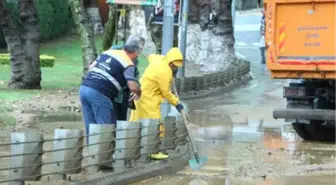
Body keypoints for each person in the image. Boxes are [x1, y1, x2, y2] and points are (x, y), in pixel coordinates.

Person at [79, 35, 143, 143]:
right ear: (135, 53)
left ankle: (93, 153)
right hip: (100, 93)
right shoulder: (128, 63)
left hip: (84, 88)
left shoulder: (108, 52)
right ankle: (104, 156)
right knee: (105, 128)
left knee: (91, 125)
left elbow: (91, 68)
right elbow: (132, 86)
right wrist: (139, 91)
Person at [129, 47, 184, 160]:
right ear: (170, 61)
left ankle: (134, 150)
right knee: (156, 125)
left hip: (140, 95)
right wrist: (177, 103)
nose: (175, 67)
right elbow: (166, 93)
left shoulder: (160, 59)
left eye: (176, 66)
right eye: (174, 65)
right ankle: (153, 152)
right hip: (148, 99)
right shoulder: (164, 72)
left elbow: (151, 57)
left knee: (137, 123)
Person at [111, 36, 145, 120]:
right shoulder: (115, 50)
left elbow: (135, 75)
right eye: (139, 48)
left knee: (121, 121)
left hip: (124, 95)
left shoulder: (135, 59)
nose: (140, 51)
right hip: (112, 92)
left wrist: (137, 88)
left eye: (141, 48)